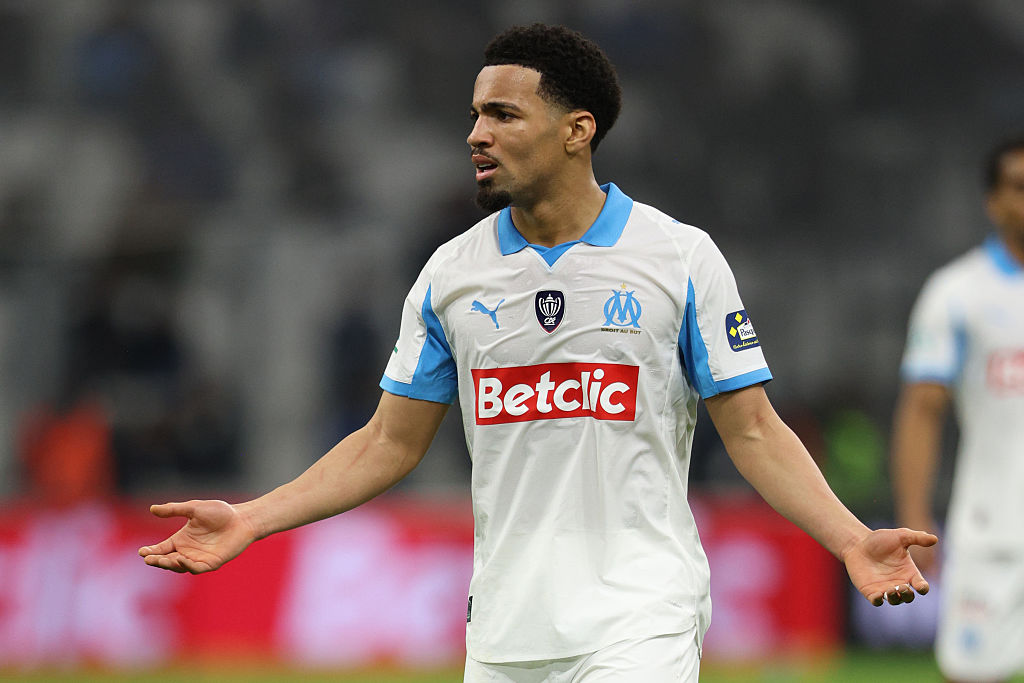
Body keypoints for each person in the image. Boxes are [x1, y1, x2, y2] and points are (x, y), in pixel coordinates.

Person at [141, 23, 936, 681]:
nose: (475, 134)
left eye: (503, 115)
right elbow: (387, 441)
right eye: (476, 115)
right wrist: (251, 517)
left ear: (576, 130)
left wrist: (848, 537)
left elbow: (755, 429)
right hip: (506, 631)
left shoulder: (679, 257)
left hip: (640, 615)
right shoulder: (452, 273)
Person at [892, 135, 1024, 683]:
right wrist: (915, 518)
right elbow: (922, 411)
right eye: (1020, 187)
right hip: (995, 526)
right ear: (992, 201)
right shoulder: (956, 293)